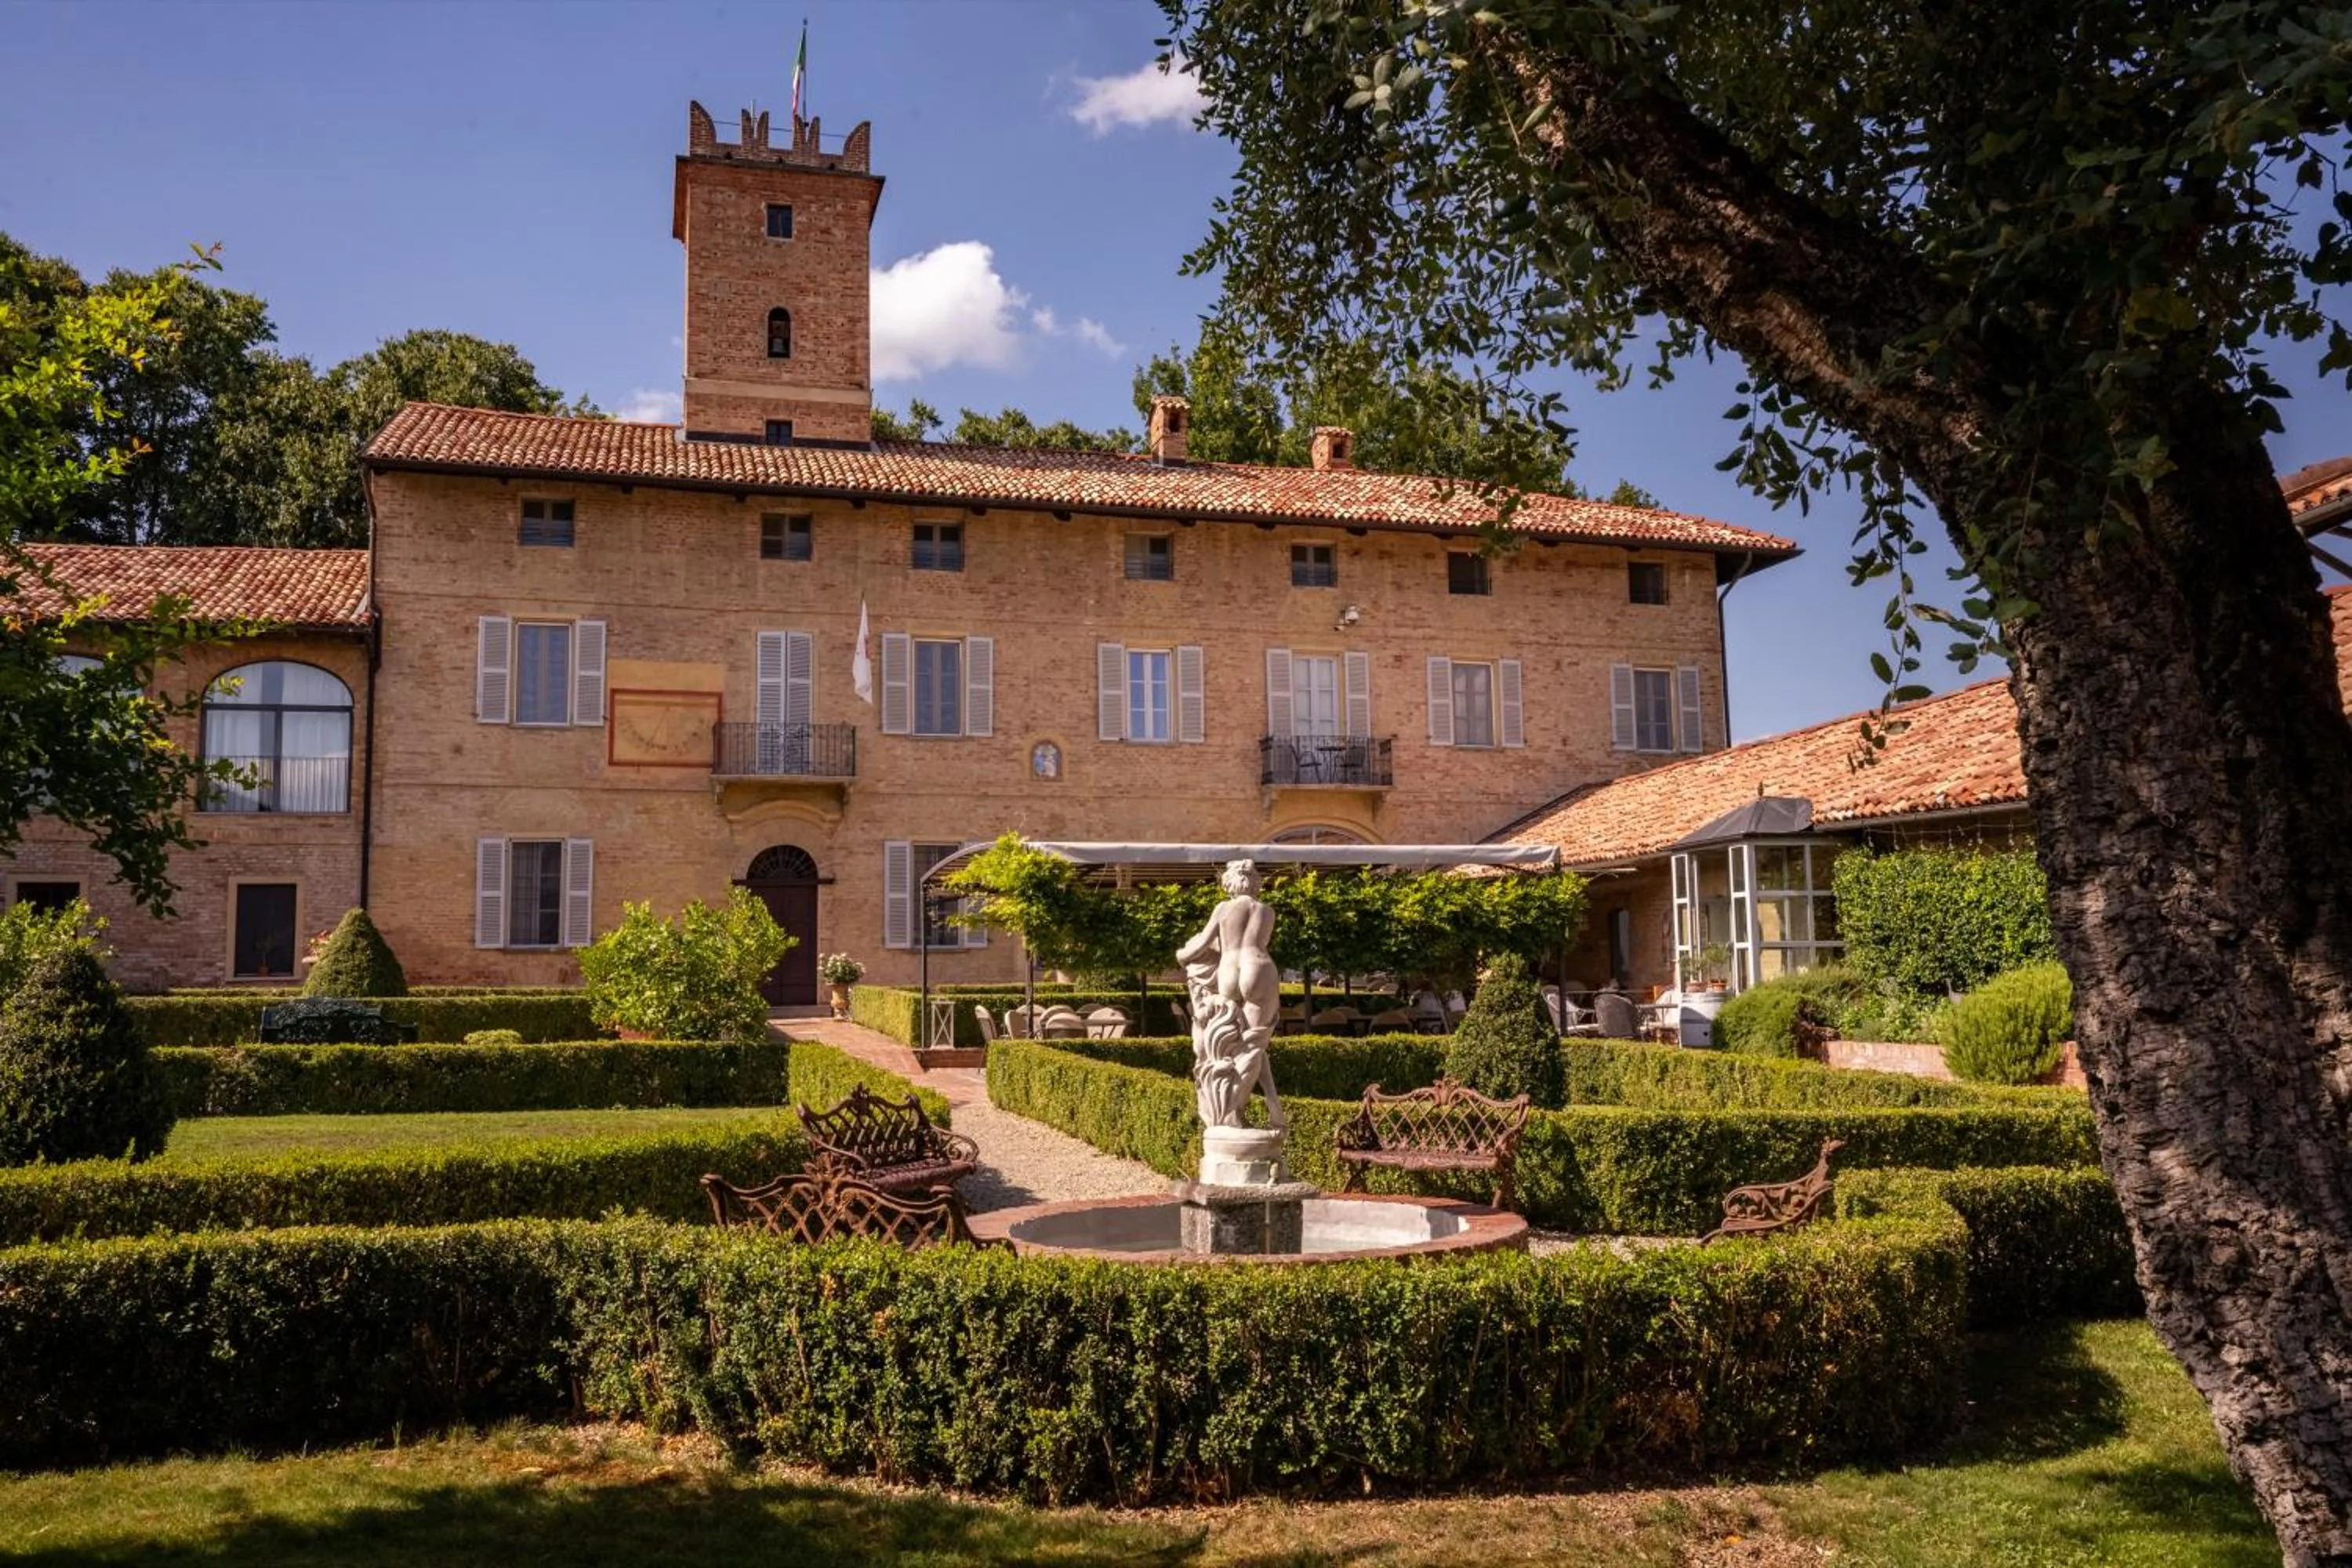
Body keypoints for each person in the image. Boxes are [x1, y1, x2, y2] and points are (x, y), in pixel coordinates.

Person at [1176, 858, 1286, 1130]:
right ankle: (1244, 1111)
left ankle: (1227, 1112)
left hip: (1228, 971)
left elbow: (1200, 945)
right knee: (1253, 1044)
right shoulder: (1266, 910)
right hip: (1258, 967)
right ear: (1255, 882)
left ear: (1229, 884)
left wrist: (1181, 955)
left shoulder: (1223, 909)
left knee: (1231, 1045)